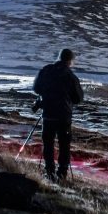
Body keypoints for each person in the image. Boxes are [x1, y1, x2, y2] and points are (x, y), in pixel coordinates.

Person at [32, 48, 83, 181]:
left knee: (48, 144)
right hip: (64, 116)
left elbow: (36, 88)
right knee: (64, 145)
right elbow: (78, 98)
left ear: (59, 57)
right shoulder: (71, 76)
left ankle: (49, 172)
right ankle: (62, 174)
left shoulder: (46, 70)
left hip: (48, 114)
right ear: (70, 61)